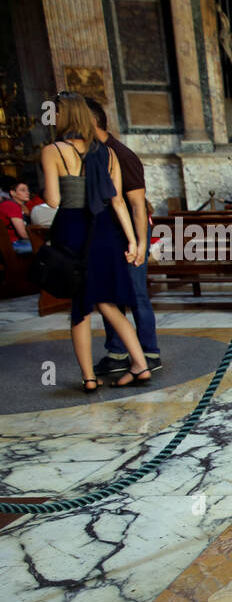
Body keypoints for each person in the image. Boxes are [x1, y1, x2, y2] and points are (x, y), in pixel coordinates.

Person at [40, 92, 149, 392]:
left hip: (72, 227)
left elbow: (53, 200)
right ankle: (140, 363)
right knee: (108, 301)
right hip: (104, 231)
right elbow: (117, 202)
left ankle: (89, 377)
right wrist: (134, 241)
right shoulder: (108, 153)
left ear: (64, 115)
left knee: (80, 306)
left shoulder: (53, 150)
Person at [86, 98, 161, 376]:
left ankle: (150, 351)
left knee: (135, 291)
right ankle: (117, 352)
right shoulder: (93, 152)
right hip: (108, 232)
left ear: (91, 121)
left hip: (131, 231)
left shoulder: (121, 154)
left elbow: (138, 205)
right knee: (110, 291)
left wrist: (141, 243)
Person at [1, 174, 43, 253]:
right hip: (11, 244)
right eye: (23, 190)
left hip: (9, 243)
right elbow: (23, 234)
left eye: (27, 190)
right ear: (13, 193)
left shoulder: (15, 205)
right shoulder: (11, 205)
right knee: (44, 248)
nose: (27, 193)